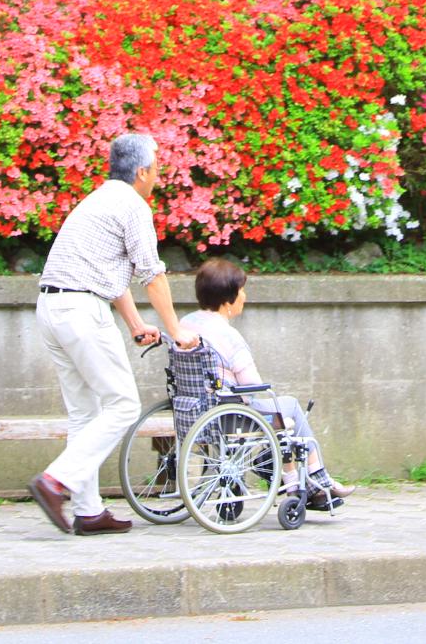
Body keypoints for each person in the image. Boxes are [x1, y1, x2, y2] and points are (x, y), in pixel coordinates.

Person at [27, 133, 200, 534]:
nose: (159, 172)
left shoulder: (98, 199)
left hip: (53, 307)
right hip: (81, 311)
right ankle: (56, 481)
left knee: (84, 413)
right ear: (141, 171)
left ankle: (88, 511)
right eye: (156, 165)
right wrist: (177, 331)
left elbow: (110, 272)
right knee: (122, 406)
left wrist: (136, 324)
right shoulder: (132, 205)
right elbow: (152, 275)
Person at [180, 258, 350, 509]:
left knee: (281, 414)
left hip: (193, 411)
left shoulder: (186, 324)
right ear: (229, 300)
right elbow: (253, 387)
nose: (245, 296)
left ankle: (291, 477)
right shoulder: (229, 336)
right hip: (231, 416)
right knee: (289, 407)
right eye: (241, 291)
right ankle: (316, 476)